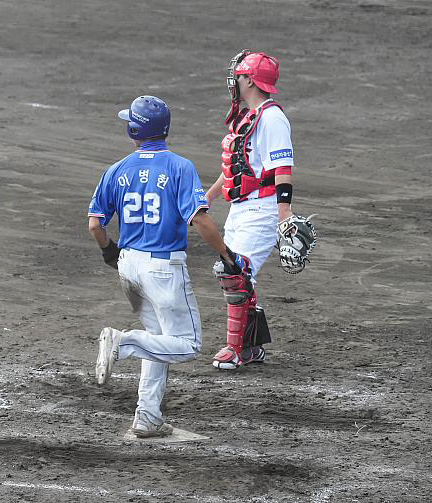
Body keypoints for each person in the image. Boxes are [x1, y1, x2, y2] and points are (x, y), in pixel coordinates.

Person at [88, 96, 248, 438]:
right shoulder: (179, 168)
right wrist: (227, 255)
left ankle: (147, 417)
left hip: (128, 266)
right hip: (162, 270)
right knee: (186, 344)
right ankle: (122, 342)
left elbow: (95, 224)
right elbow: (201, 221)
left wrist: (108, 253)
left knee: (158, 341)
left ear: (134, 130)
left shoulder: (116, 169)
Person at [205, 50, 295, 370]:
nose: (234, 81)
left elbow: (282, 168)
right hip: (241, 209)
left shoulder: (272, 118)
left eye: (239, 76)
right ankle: (252, 347)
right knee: (241, 275)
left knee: (234, 272)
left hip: (263, 209)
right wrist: (211, 196)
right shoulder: (248, 116)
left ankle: (235, 349)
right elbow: (235, 167)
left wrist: (284, 214)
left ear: (250, 81)